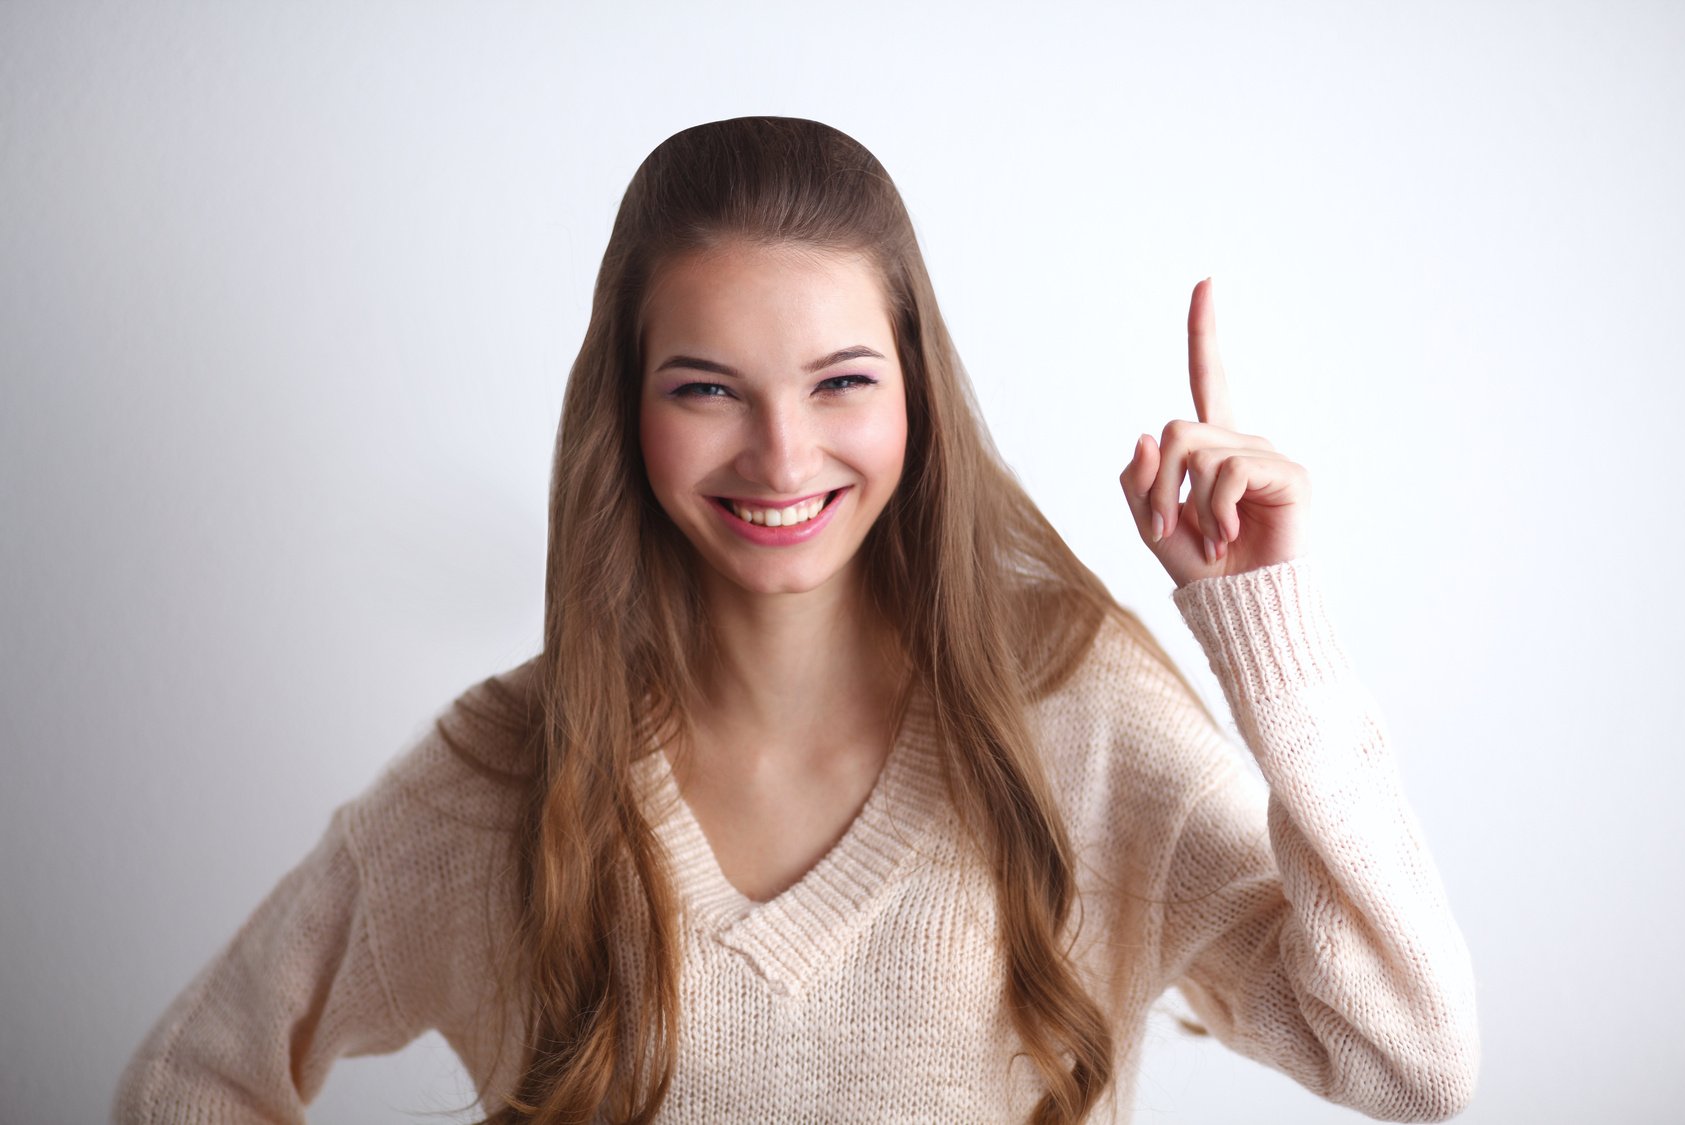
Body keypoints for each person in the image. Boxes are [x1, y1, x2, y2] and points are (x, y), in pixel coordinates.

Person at [114, 116, 1480, 1123]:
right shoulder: (507, 777)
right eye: (707, 388)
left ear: (915, 399)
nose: (780, 456)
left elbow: (1412, 1061)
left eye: (838, 383)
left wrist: (1267, 628)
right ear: (626, 411)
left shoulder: (1074, 720)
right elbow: (196, 1079)